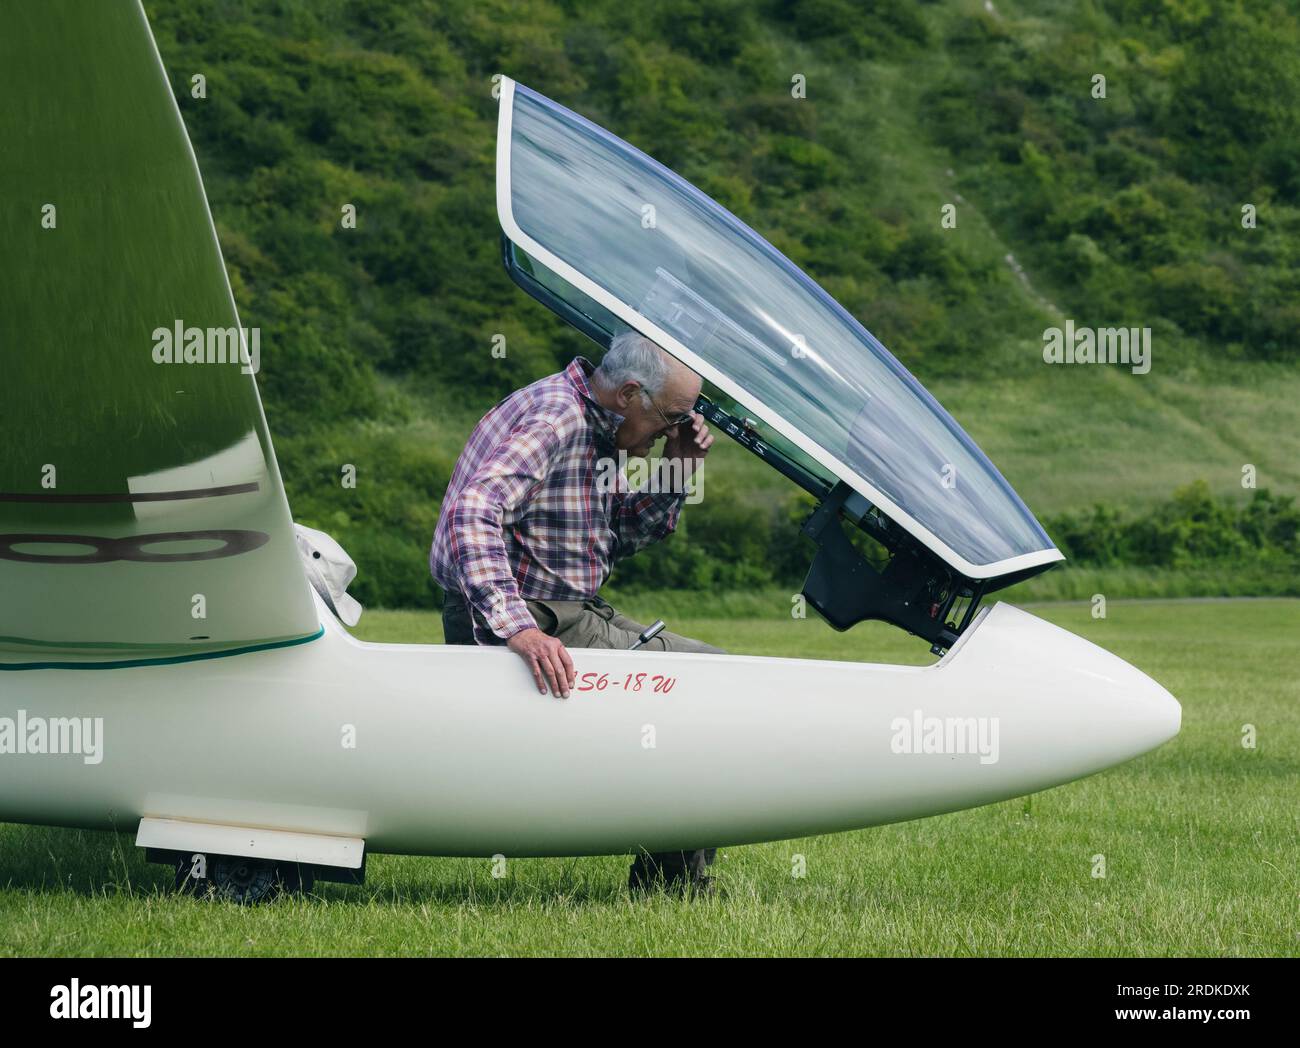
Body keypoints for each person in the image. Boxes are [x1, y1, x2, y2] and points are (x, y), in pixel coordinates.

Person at [430, 331, 721, 894]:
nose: (671, 430)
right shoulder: (558, 420)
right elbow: (473, 510)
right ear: (630, 393)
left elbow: (620, 534)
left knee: (709, 679)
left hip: (569, 610)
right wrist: (516, 627)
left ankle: (672, 873)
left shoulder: (599, 425)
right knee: (707, 684)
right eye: (670, 417)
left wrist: (677, 471)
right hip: (537, 616)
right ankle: (671, 881)